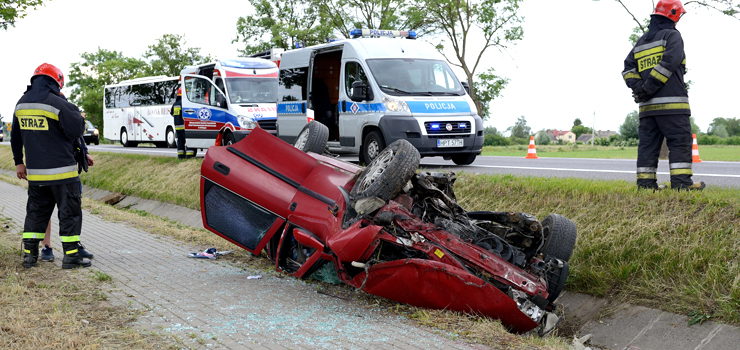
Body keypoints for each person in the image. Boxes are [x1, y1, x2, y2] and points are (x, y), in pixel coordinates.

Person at [11, 63, 91, 269]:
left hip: (37, 175)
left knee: (36, 213)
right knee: (69, 213)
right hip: (63, 173)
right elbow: (76, 131)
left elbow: (15, 137)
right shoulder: (57, 102)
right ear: (56, 81)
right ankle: (71, 257)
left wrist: (19, 162)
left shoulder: (21, 104)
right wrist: (80, 118)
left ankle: (30, 256)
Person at [621, 0, 704, 190]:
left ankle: (645, 185)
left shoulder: (641, 42)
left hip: (647, 108)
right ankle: (682, 184)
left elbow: (627, 69)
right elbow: (669, 63)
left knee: (648, 147)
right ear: (674, 14)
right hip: (673, 107)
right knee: (680, 142)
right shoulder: (672, 36)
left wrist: (639, 88)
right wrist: (647, 88)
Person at [39, 96, 95, 262]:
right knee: (45, 209)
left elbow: (77, 136)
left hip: (69, 168)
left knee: (72, 208)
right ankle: (46, 247)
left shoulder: (65, 105)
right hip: (47, 167)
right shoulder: (44, 107)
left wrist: (84, 152)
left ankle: (73, 245)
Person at [171, 87, 194, 159]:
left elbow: (172, 114)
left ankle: (180, 156)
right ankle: (189, 156)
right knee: (189, 140)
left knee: (180, 141)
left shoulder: (175, 104)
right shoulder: (184, 103)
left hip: (177, 126)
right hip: (184, 126)